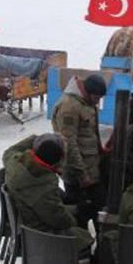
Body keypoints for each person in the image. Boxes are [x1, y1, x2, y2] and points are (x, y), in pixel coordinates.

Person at [3, 133, 93, 252]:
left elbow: (10, 150)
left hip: (25, 223)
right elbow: (58, 219)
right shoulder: (42, 185)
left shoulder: (16, 162)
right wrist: (77, 215)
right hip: (39, 235)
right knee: (85, 237)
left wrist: (39, 139)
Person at [51, 74, 107, 223]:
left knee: (97, 208)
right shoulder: (69, 107)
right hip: (77, 174)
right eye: (96, 97)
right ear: (87, 92)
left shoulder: (87, 104)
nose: (98, 101)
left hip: (91, 169)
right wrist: (82, 175)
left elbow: (91, 133)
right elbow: (69, 143)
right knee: (79, 214)